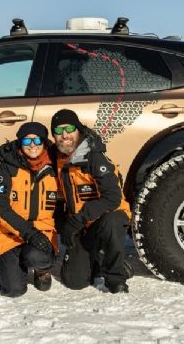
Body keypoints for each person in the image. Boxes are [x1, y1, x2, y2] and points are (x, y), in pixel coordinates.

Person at [50, 109, 132, 293]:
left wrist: (78, 219)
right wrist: (65, 225)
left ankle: (116, 277)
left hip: (105, 218)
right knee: (74, 281)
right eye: (58, 131)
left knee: (113, 221)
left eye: (69, 128)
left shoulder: (94, 156)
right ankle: (101, 259)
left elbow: (112, 198)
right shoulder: (57, 158)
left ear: (78, 130)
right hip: (83, 225)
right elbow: (30, 149)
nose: (64, 135)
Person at [0, 122, 62, 297]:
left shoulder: (55, 168)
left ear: (44, 142)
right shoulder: (8, 167)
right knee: (13, 290)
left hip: (42, 232)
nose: (32, 145)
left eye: (37, 140)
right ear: (20, 143)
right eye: (26, 141)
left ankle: (41, 270)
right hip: (10, 235)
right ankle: (11, 268)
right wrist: (29, 233)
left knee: (36, 256)